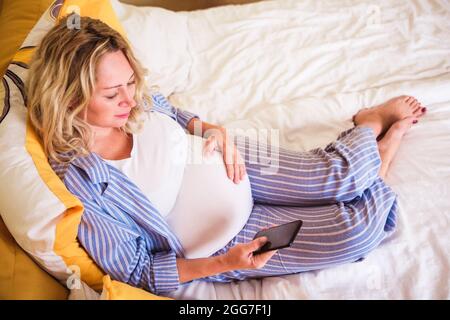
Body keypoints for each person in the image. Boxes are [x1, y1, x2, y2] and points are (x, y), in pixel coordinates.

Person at [26, 15, 426, 295]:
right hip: (226, 236)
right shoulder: (79, 177)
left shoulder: (133, 102)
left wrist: (209, 128)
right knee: (357, 230)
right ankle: (383, 153)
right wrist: (228, 264)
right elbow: (136, 269)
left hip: (231, 158)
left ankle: (370, 124)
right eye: (113, 94)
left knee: (342, 177)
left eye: (131, 82)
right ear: (70, 98)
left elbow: (166, 107)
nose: (130, 99)